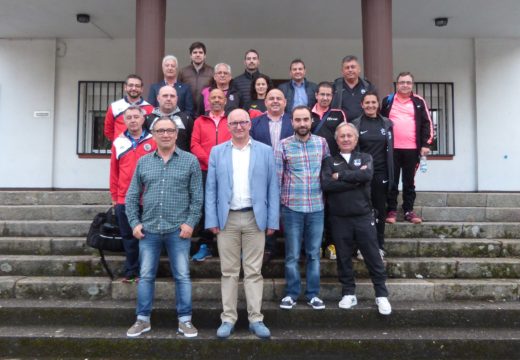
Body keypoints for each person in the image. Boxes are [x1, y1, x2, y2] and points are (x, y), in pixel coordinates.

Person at [125, 116, 203, 338]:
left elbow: (197, 197)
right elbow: (131, 197)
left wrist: (190, 223)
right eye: (161, 131)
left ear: (177, 134)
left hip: (179, 230)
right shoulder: (143, 162)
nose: (166, 134)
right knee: (146, 275)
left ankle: (185, 320)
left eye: (170, 130)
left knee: (182, 275)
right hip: (148, 229)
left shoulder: (190, 161)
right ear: (154, 134)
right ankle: (142, 319)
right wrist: (134, 223)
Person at [205, 109, 279, 339]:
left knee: (253, 272)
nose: (239, 126)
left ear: (250, 125)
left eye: (243, 122)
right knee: (228, 271)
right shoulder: (217, 152)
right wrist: (211, 219)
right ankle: (228, 318)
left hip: (254, 218)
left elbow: (272, 187)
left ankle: (256, 319)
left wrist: (273, 220)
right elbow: (211, 189)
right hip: (226, 218)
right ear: (228, 126)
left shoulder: (265, 152)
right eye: (234, 123)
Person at [321, 123, 391, 315]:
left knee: (372, 255)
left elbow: (367, 175)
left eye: (349, 136)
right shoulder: (329, 161)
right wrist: (355, 180)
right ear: (336, 140)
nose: (345, 139)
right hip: (339, 218)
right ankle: (348, 293)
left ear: (356, 139)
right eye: (342, 136)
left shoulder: (365, 158)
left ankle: (381, 294)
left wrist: (341, 176)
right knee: (343, 257)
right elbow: (327, 184)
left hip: (363, 216)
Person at [275, 106, 330, 310]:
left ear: (311, 121)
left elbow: (327, 173)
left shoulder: (322, 144)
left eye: (305, 119)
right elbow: (277, 179)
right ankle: (291, 293)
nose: (302, 124)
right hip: (292, 208)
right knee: (292, 255)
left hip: (317, 207)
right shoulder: (283, 145)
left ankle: (313, 294)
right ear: (292, 123)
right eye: (298, 120)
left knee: (314, 254)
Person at [110, 106, 156, 283]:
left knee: (148, 237)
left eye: (136, 116)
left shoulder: (153, 141)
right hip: (124, 198)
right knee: (128, 237)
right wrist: (114, 196)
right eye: (129, 117)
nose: (133, 120)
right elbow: (114, 172)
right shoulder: (118, 143)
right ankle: (131, 271)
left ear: (143, 119)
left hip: (148, 198)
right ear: (124, 120)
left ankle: (146, 272)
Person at [380, 72, 433, 224]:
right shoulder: (388, 101)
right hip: (392, 149)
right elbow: (381, 122)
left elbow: (427, 123)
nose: (405, 85)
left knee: (409, 181)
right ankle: (391, 210)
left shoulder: (418, 101)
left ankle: (408, 210)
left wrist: (425, 144)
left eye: (408, 82)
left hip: (412, 149)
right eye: (402, 82)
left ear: (412, 85)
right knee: (392, 181)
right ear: (397, 84)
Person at [250, 88, 293, 263]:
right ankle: (269, 247)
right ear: (265, 102)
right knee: (266, 210)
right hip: (263, 173)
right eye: (271, 98)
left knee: (287, 211)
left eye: (279, 98)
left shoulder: (293, 121)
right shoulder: (255, 122)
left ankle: (291, 247)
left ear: (285, 102)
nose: (275, 101)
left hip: (289, 173)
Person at [191, 88, 232, 261]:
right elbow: (194, 144)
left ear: (225, 101)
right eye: (213, 97)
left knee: (228, 204)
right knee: (205, 207)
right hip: (205, 170)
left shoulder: (231, 120)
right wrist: (211, 161)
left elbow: (236, 142)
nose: (216, 100)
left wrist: (221, 164)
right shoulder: (200, 121)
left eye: (219, 97)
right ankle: (205, 244)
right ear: (208, 101)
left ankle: (229, 245)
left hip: (228, 170)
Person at [351, 91, 394, 256]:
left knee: (379, 210)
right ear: (362, 105)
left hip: (381, 173)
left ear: (378, 104)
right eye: (367, 103)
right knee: (362, 211)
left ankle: (379, 246)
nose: (370, 105)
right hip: (361, 174)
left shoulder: (387, 123)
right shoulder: (355, 124)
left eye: (373, 102)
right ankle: (361, 247)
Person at [104, 74, 153, 142]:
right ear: (125, 87)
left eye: (137, 86)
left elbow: (152, 131)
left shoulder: (150, 108)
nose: (134, 88)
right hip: (121, 148)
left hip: (143, 149)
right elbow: (108, 130)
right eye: (131, 85)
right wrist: (118, 141)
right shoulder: (114, 106)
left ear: (142, 89)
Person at [144, 85, 193, 152]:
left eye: (172, 96)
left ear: (177, 99)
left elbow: (191, 144)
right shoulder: (147, 119)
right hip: (153, 160)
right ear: (158, 98)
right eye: (165, 96)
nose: (169, 99)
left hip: (181, 161)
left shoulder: (186, 119)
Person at [331, 55, 376, 121]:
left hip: (364, 126)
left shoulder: (368, 87)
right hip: (342, 127)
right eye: (347, 67)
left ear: (359, 69)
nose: (350, 70)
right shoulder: (335, 87)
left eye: (353, 67)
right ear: (342, 71)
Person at [311, 81, 347, 156]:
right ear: (316, 95)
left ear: (332, 96)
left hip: (332, 157)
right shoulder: (307, 113)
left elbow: (344, 136)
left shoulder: (339, 114)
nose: (325, 98)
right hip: (312, 157)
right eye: (322, 94)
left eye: (328, 95)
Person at [178, 41, 214, 117]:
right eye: (195, 52)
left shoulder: (212, 72)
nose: (198, 55)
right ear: (190, 56)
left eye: (200, 52)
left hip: (206, 113)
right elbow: (179, 92)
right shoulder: (183, 72)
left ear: (205, 56)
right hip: (187, 113)